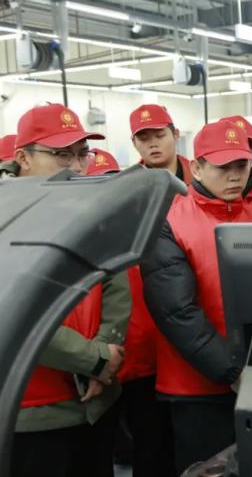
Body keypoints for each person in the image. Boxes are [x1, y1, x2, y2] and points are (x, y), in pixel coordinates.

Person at [140, 120, 252, 473]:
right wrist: (232, 371)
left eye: (242, 165)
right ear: (198, 167)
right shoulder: (169, 223)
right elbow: (176, 312)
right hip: (197, 388)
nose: (235, 176)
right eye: (223, 167)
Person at [8, 104, 131, 477]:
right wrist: (93, 359)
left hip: (97, 403)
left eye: (82, 154)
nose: (77, 167)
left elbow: (116, 281)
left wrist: (106, 357)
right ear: (23, 158)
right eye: (62, 155)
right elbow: (18, 315)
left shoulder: (90, 209)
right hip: (33, 411)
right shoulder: (6, 217)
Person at [86, 148, 178, 477]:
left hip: (147, 361)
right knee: (99, 453)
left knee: (152, 450)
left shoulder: (148, 231)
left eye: (113, 183)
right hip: (102, 364)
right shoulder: (80, 242)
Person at [129, 104, 192, 184]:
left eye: (160, 136)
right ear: (134, 143)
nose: (153, 144)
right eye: (143, 138)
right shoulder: (128, 185)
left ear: (175, 135)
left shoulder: (199, 176)